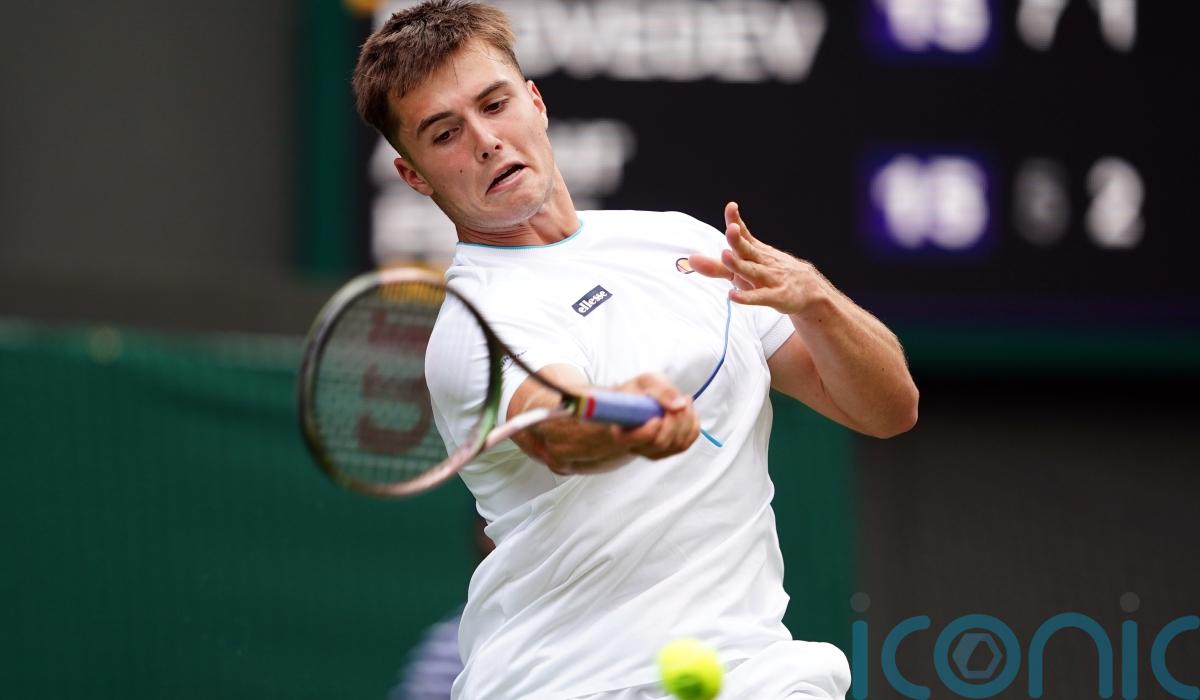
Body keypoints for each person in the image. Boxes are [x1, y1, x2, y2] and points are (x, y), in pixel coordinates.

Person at [352, 2, 918, 697]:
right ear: (415, 176)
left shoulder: (682, 242)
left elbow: (888, 409)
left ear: (535, 103)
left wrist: (816, 298)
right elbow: (558, 428)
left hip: (750, 671)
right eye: (445, 134)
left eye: (495, 105)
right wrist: (628, 420)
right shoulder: (475, 324)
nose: (486, 141)